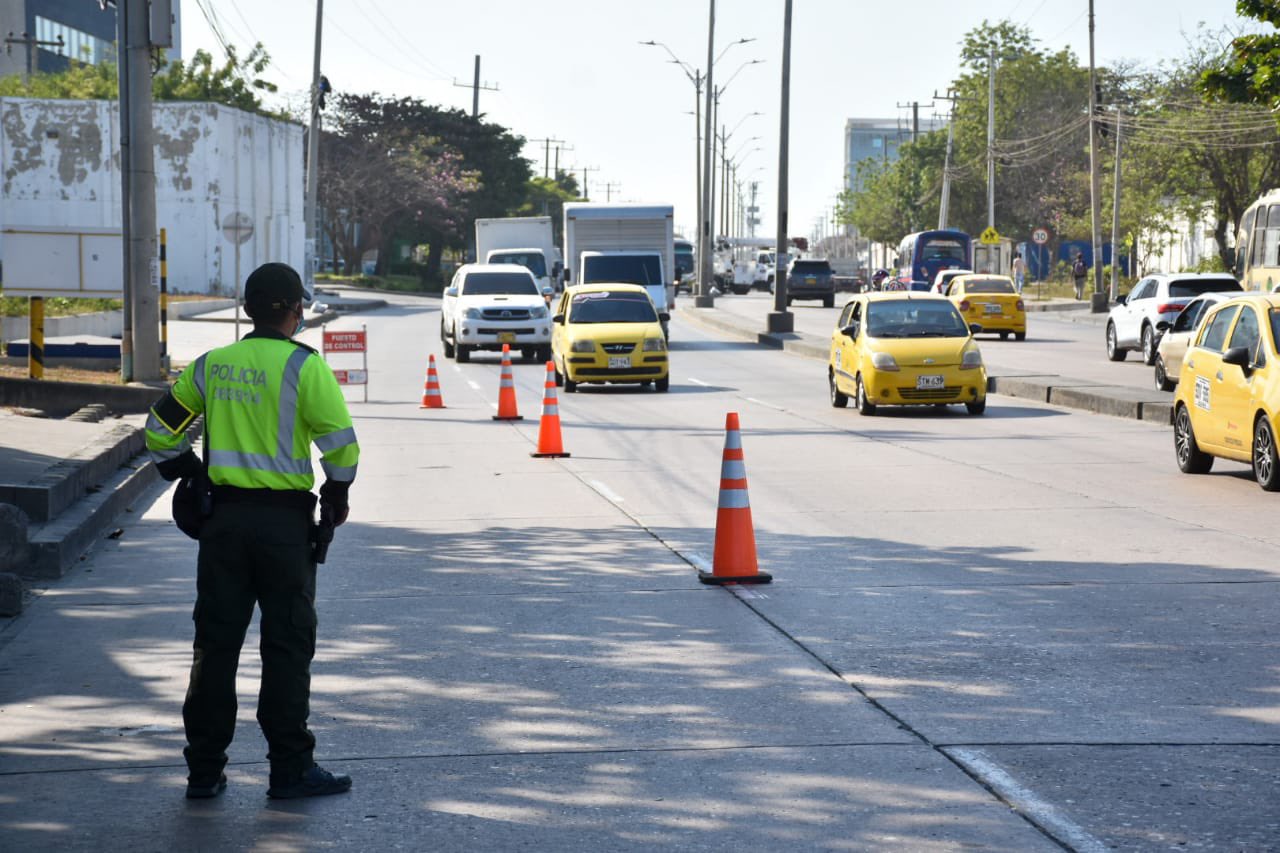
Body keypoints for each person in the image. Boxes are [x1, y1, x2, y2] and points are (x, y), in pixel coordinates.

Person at [145, 262, 359, 801]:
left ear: (246, 309)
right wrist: (337, 494)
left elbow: (158, 431)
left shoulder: (212, 365)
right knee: (286, 646)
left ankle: (204, 770)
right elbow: (342, 448)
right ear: (294, 310)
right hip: (285, 529)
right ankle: (290, 769)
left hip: (224, 526)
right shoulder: (305, 368)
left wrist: (189, 473)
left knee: (214, 647)